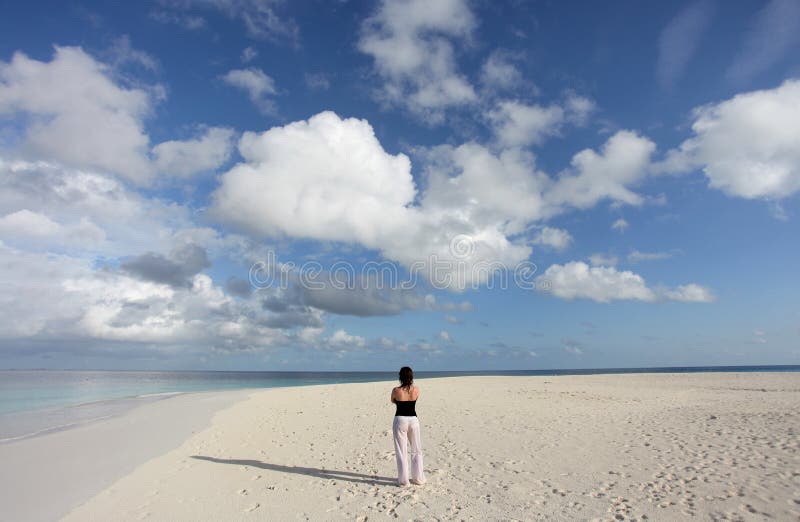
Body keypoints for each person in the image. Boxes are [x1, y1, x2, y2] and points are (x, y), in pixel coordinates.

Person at [390, 366, 426, 486]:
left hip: (400, 419)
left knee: (401, 451)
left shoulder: (396, 390)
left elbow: (392, 400)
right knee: (416, 449)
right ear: (411, 377)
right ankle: (418, 478)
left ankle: (404, 480)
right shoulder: (416, 390)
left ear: (400, 377)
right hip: (413, 420)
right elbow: (415, 399)